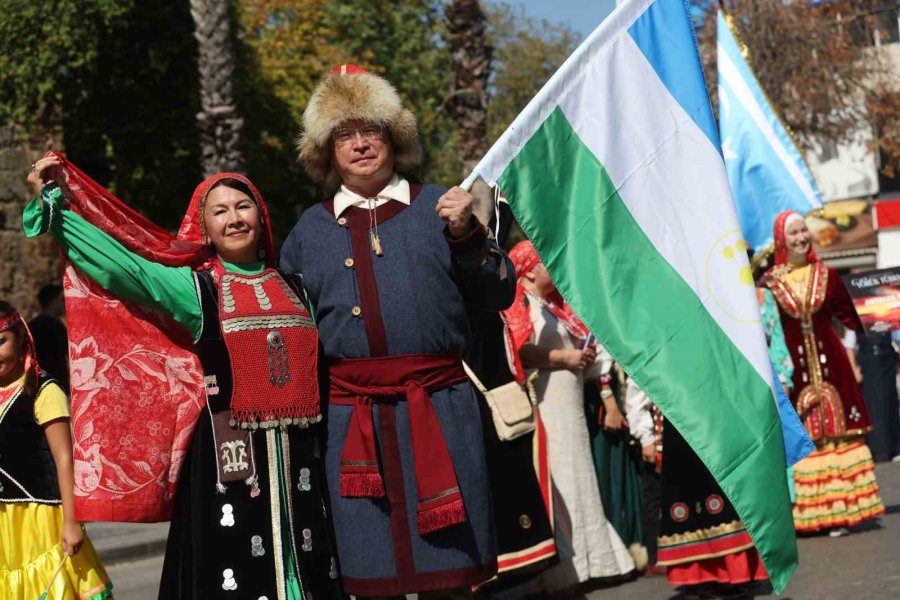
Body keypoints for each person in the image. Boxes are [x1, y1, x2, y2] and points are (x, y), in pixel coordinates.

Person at [25, 155, 342, 599]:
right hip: (228, 459)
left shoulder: (299, 289)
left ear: (261, 215)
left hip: (300, 460)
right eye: (220, 211)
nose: (234, 218)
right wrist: (60, 211)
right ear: (205, 229)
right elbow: (124, 268)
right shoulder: (198, 290)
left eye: (243, 207)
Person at [280, 64, 514, 598]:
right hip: (350, 422)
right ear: (326, 151)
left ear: (394, 138)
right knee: (372, 571)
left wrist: (469, 235)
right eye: (345, 134)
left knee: (449, 575)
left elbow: (498, 295)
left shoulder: (442, 207)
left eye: (371, 130)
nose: (360, 144)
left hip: (440, 409)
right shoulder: (307, 231)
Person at [502, 241, 634, 593]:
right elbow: (520, 352)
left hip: (569, 403)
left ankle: (594, 560)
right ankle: (565, 568)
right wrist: (564, 359)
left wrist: (584, 363)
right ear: (529, 270)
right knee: (559, 475)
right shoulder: (521, 304)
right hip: (546, 403)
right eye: (546, 262)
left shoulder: (553, 307)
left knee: (577, 473)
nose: (553, 267)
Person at [763, 211, 885, 536]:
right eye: (794, 233)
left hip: (832, 365)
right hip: (794, 371)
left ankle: (845, 510)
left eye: (804, 231)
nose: (802, 237)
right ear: (781, 239)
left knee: (841, 432)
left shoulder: (828, 275)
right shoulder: (769, 284)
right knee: (805, 435)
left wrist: (886, 311)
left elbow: (853, 316)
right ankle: (811, 515)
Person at [0, 301, 111, 598]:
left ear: (21, 337)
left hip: (41, 517)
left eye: (1, 342)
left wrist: (72, 522)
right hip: (5, 524)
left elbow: (65, 459)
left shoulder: (43, 390)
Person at [844, 328, 900, 463]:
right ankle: (880, 450)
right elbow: (848, 346)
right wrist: (854, 369)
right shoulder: (854, 317)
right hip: (868, 363)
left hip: (887, 360)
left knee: (890, 404)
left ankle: (895, 447)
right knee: (874, 407)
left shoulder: (884, 313)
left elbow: (897, 337)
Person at [28, 283, 70, 392]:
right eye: (61, 299)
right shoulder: (56, 326)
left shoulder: (32, 326)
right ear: (53, 300)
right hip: (57, 384)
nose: (64, 303)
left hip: (38, 384)